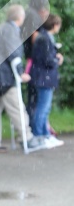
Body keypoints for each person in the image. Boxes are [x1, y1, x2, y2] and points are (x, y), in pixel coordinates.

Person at [0, 4, 44, 153]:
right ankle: (27, 138)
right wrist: (20, 73)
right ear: (20, 17)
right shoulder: (11, 31)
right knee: (18, 110)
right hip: (4, 77)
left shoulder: (0, 29)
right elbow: (14, 55)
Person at [30, 14, 64, 148]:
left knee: (44, 108)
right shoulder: (45, 38)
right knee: (43, 108)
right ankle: (39, 136)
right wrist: (57, 60)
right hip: (44, 78)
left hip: (43, 77)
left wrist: (54, 56)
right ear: (55, 25)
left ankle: (45, 135)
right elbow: (47, 60)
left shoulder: (43, 37)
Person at [21, 0, 50, 122]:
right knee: (35, 97)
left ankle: (32, 125)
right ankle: (33, 127)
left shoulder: (28, 13)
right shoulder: (33, 16)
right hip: (33, 60)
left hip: (28, 56)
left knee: (32, 95)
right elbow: (34, 37)